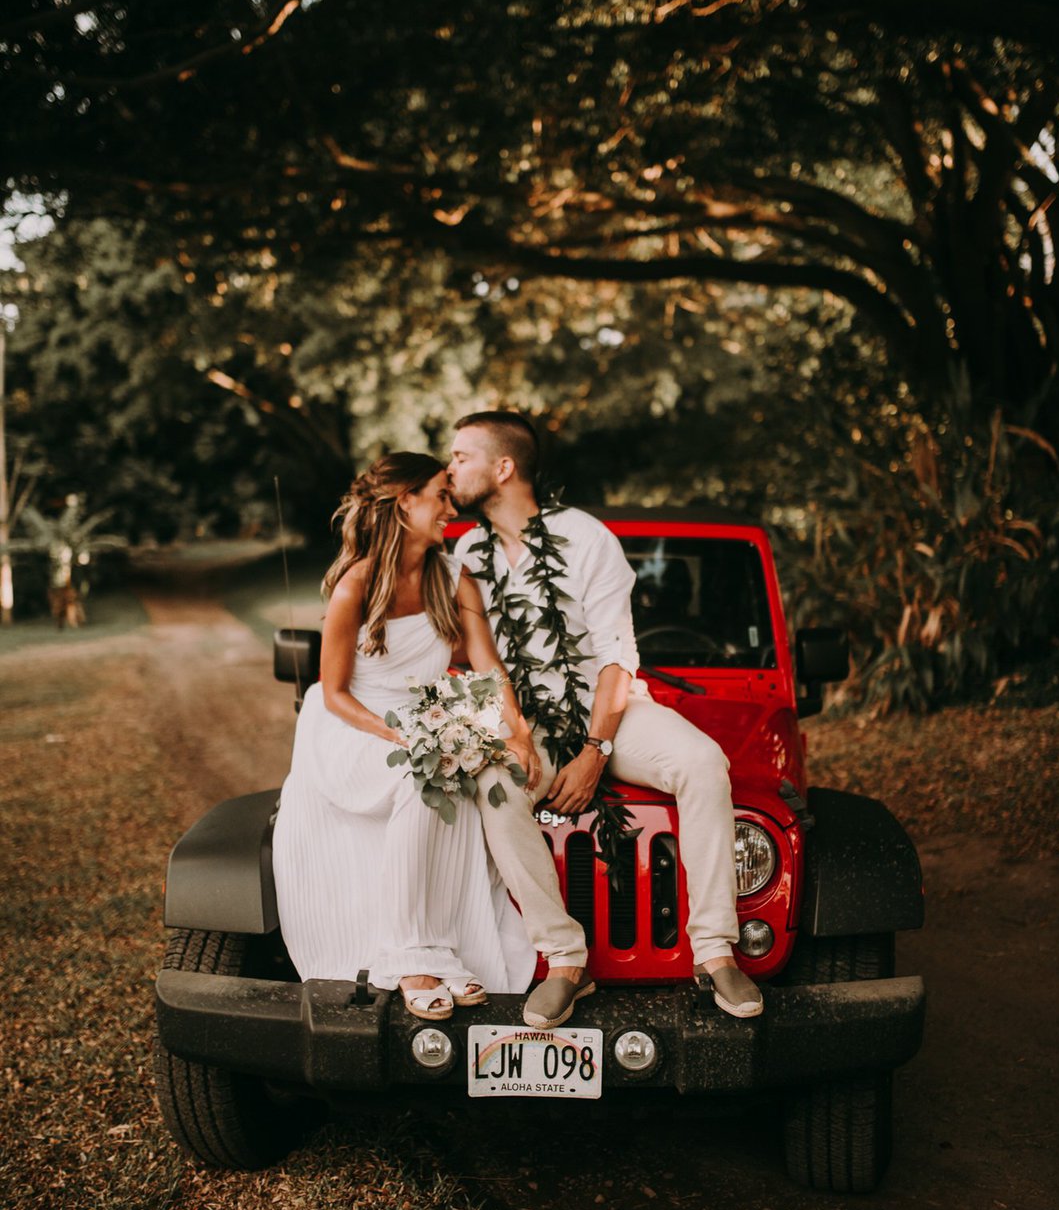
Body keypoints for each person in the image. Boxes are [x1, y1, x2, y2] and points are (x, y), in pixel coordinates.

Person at [449, 410, 763, 1028]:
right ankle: (566, 960)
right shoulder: (468, 551)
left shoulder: (585, 537)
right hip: (526, 719)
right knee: (492, 784)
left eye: (461, 456)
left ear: (503, 467)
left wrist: (595, 750)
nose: (450, 467)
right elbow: (481, 660)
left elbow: (619, 657)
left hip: (608, 712)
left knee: (703, 761)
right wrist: (508, 733)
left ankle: (715, 950)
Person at [272, 452, 538, 1020]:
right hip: (350, 729)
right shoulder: (356, 585)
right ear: (405, 503)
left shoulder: (452, 579)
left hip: (423, 719)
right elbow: (335, 691)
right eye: (441, 495)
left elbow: (489, 670)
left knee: (455, 775)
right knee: (426, 776)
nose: (450, 507)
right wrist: (402, 737)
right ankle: (410, 955)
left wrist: (519, 735)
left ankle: (439, 947)